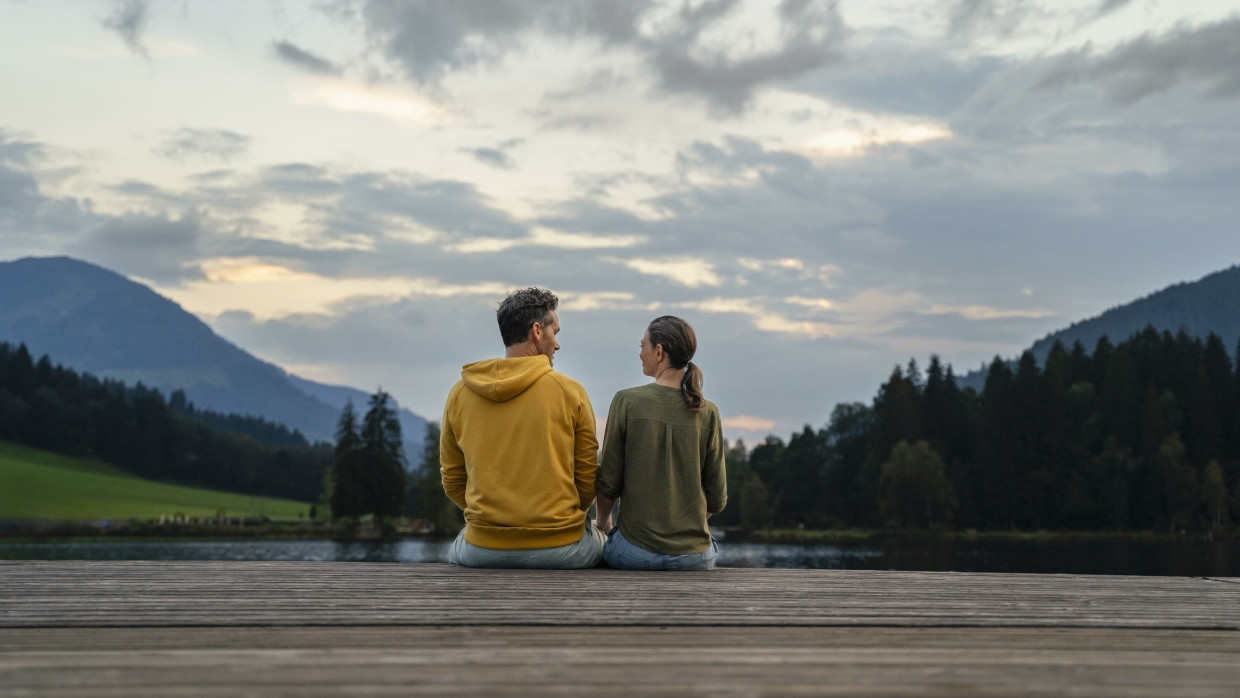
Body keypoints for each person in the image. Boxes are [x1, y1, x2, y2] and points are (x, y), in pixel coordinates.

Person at [440, 287, 606, 568]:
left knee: (459, 543)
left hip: (482, 549)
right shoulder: (570, 392)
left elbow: (453, 479)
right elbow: (587, 479)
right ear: (537, 331)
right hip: (561, 548)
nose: (557, 344)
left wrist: (490, 519)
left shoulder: (460, 393)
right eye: (556, 332)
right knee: (605, 540)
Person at [594, 315, 727, 570]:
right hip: (696, 558)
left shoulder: (626, 401)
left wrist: (602, 522)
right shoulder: (708, 412)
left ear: (659, 351)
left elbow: (608, 481)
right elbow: (717, 499)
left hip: (634, 553)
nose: (640, 353)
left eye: (642, 346)